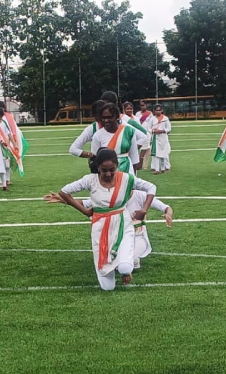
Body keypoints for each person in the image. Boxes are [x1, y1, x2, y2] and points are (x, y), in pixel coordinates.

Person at [56, 149, 156, 290]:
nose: (108, 174)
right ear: (98, 167)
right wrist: (85, 211)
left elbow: (151, 187)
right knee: (107, 287)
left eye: (112, 170)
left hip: (123, 224)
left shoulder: (126, 179)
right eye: (104, 170)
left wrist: (144, 210)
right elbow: (64, 192)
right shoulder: (90, 180)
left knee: (125, 267)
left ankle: (125, 269)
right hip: (100, 227)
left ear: (117, 167)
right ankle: (114, 267)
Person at [45, 190, 173, 271]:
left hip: (138, 237)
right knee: (113, 264)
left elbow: (166, 207)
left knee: (125, 265)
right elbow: (85, 203)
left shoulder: (141, 196)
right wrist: (63, 200)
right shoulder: (110, 198)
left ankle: (133, 258)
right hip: (116, 238)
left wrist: (168, 214)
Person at [89, 103, 146, 175]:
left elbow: (134, 156)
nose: (106, 120)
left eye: (109, 117)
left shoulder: (128, 132)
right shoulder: (97, 135)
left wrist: (133, 178)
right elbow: (95, 160)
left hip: (127, 172)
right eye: (103, 118)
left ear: (117, 117)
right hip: (107, 175)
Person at [0, 100, 27, 183]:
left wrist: (14, 141)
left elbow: (12, 129)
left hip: (7, 141)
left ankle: (7, 179)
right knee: (1, 162)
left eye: (2, 107)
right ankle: (2, 180)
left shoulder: (8, 116)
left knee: (7, 161)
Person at [149, 104, 172, 174]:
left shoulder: (165, 118)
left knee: (164, 153)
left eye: (159, 110)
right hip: (155, 138)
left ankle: (163, 168)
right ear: (154, 111)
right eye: (156, 110)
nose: (158, 111)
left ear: (162, 110)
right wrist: (153, 131)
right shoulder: (152, 119)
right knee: (156, 154)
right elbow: (148, 128)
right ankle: (157, 169)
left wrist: (162, 131)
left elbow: (169, 128)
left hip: (163, 138)